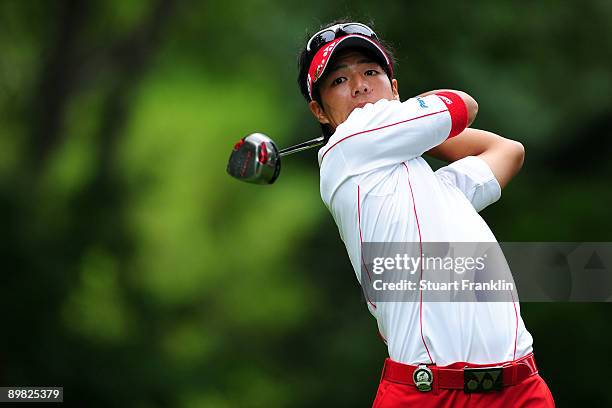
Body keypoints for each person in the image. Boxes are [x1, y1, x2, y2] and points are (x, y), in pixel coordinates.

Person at [296, 21, 555, 407]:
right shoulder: (345, 149)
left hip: (520, 388)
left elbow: (508, 150)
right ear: (320, 110)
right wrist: (411, 123)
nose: (360, 86)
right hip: (429, 394)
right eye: (338, 81)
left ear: (395, 88)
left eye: (372, 72)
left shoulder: (439, 191)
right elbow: (462, 105)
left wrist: (414, 131)